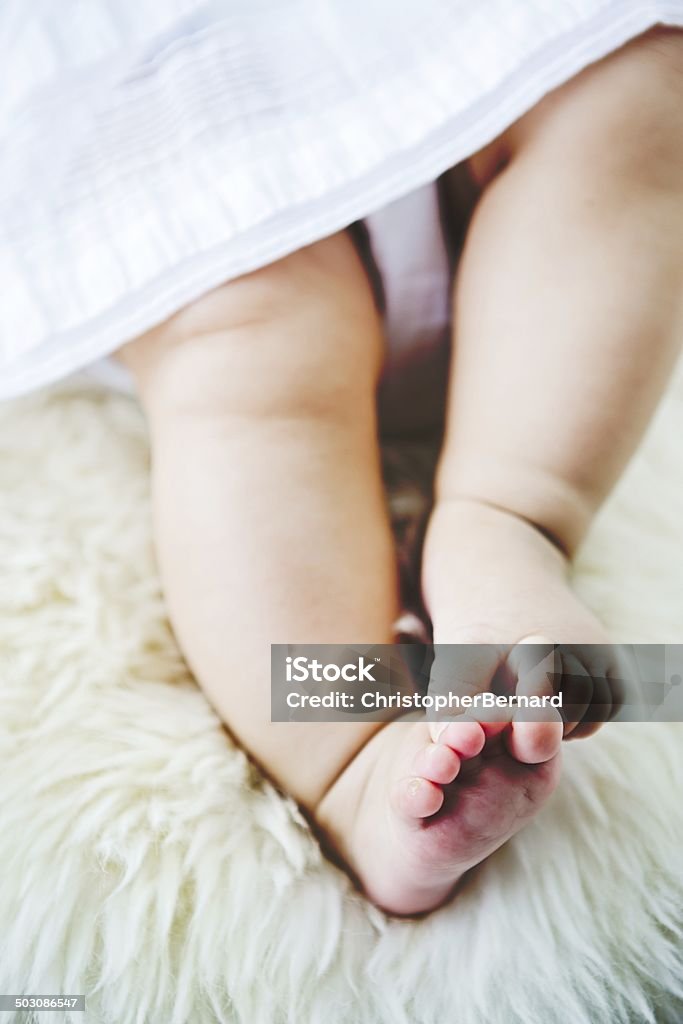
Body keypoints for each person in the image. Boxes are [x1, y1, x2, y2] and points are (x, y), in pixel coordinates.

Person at [3, 6, 683, 915]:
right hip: (174, 87)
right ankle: (357, 759)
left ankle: (506, 519)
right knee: (245, 321)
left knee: (638, 84)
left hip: (470, 50)